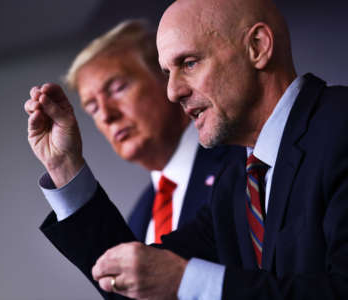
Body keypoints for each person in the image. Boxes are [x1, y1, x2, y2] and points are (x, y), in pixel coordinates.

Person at [26, 0, 348, 299]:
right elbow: (136, 276)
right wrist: (66, 167)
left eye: (189, 63)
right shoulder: (236, 182)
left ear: (258, 47)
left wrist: (188, 281)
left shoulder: (341, 124)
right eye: (168, 73)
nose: (173, 92)